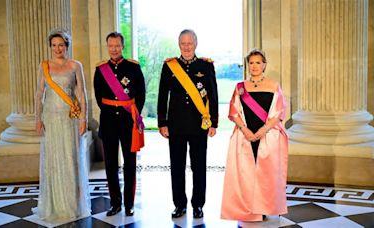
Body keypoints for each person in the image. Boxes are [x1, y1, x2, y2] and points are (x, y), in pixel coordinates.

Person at [221, 48, 288, 222]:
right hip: (245, 136)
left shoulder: (273, 86)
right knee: (246, 174)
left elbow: (279, 112)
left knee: (265, 174)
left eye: (258, 62)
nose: (254, 66)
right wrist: (246, 131)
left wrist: (263, 130)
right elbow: (234, 112)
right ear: (247, 65)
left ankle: (263, 207)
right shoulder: (240, 87)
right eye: (251, 63)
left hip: (267, 135)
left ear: (264, 64)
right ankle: (249, 209)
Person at [157, 29, 219, 219]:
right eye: (183, 43)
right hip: (175, 125)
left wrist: (213, 122)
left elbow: (213, 95)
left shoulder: (205, 66)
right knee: (176, 167)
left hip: (199, 125)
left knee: (199, 166)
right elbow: (162, 96)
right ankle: (179, 205)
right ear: (179, 44)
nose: (186, 47)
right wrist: (162, 122)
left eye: (189, 43)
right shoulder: (170, 66)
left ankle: (198, 205)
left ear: (196, 44)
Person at [34, 28, 91, 221]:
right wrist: (37, 118)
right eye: (54, 45)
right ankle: (54, 206)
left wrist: (83, 119)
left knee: (69, 160)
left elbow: (82, 94)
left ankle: (71, 205)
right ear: (50, 47)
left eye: (61, 45)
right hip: (50, 118)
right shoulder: (44, 66)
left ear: (67, 46)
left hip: (69, 119)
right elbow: (39, 93)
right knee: (53, 162)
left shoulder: (75, 66)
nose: (57, 49)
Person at [94, 32, 146, 217]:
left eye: (117, 45)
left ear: (122, 46)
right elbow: (99, 97)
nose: (114, 49)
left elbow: (140, 93)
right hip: (108, 122)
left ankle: (129, 203)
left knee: (130, 163)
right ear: (107, 46)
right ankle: (115, 203)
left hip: (128, 122)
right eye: (111, 46)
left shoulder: (133, 67)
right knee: (110, 164)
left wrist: (133, 113)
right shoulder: (101, 69)